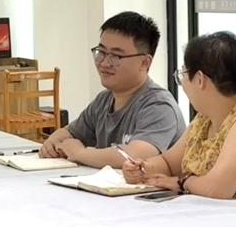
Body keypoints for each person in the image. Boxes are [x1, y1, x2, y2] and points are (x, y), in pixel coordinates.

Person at [121, 32, 236, 217]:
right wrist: (143, 169)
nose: (182, 82)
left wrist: (180, 182)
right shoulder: (205, 119)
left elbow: (217, 189)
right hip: (230, 222)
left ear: (200, 79)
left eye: (183, 74)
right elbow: (169, 163)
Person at [40, 12, 186, 168]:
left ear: (144, 62)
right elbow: (69, 133)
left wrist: (80, 153)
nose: (104, 63)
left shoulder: (159, 106)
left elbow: (135, 155)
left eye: (116, 56)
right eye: (101, 52)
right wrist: (52, 144)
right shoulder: (104, 100)